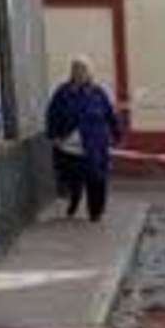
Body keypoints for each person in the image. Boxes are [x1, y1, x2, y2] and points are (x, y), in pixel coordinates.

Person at [45, 56, 121, 221]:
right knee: (73, 180)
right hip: (68, 147)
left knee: (97, 178)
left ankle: (96, 212)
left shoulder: (97, 92)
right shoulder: (63, 92)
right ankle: (74, 199)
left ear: (89, 73)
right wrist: (53, 135)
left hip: (94, 145)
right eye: (76, 69)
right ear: (71, 72)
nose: (80, 73)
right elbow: (52, 114)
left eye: (83, 70)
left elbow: (110, 115)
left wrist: (116, 134)